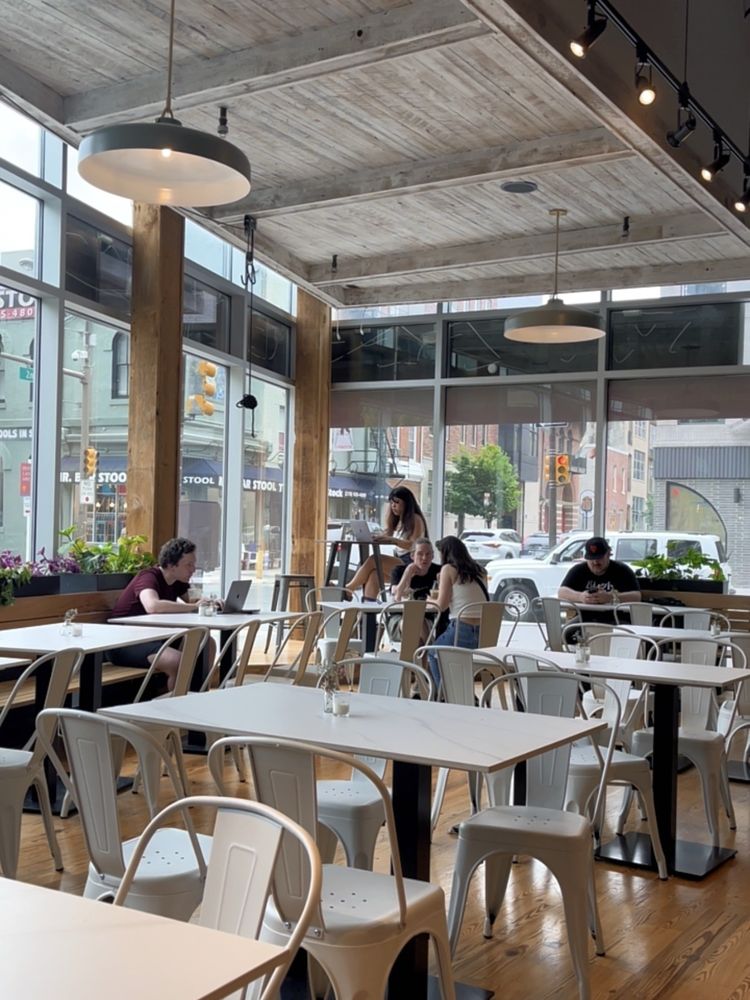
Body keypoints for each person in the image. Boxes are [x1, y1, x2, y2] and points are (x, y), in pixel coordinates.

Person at [108, 537, 217, 691]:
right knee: (178, 662)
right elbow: (152, 606)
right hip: (125, 643)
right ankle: (175, 702)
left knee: (207, 644)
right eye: (188, 565)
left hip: (153, 638)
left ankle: (198, 695)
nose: (193, 569)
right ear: (172, 566)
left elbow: (192, 602)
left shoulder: (178, 581)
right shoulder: (148, 577)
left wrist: (211, 603)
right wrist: (194, 606)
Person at [427, 535, 489, 690]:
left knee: (433, 653)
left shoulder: (448, 569)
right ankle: (464, 695)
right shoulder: (481, 570)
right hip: (484, 635)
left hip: (462, 631)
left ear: (445, 553)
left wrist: (428, 600)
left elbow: (441, 605)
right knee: (454, 658)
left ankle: (444, 695)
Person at [346, 487, 428, 599]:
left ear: (407, 503)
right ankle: (368, 608)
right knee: (374, 574)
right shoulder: (398, 521)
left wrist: (393, 540)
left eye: (397, 502)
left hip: (412, 563)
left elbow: (413, 545)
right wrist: (376, 537)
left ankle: (349, 588)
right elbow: (386, 535)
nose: (393, 506)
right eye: (391, 503)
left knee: (374, 559)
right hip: (401, 562)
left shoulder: (416, 519)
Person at [558, 536, 640, 621]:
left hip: (616, 619)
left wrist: (611, 597)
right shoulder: (578, 570)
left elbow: (636, 596)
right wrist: (581, 597)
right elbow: (562, 592)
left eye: (599, 558)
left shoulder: (622, 570)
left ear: (608, 554)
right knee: (567, 629)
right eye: (591, 558)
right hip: (584, 619)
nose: (595, 562)